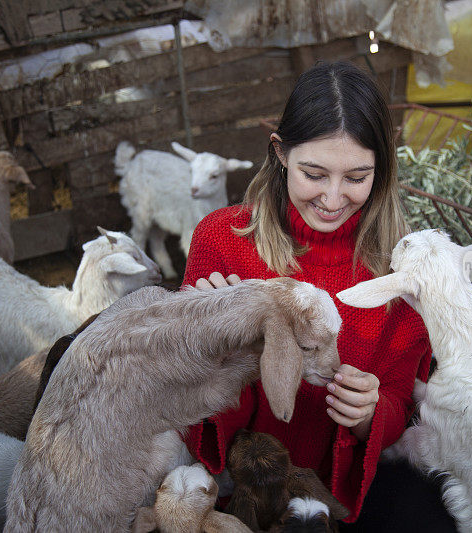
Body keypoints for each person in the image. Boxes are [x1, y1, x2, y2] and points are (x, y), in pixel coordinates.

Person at [182, 61, 457, 531]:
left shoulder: (402, 266)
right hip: (246, 485)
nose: (332, 198)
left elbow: (401, 397)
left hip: (349, 487)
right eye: (314, 173)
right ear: (281, 152)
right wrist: (210, 340)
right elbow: (183, 395)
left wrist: (371, 415)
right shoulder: (222, 241)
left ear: (381, 169)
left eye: (356, 177)